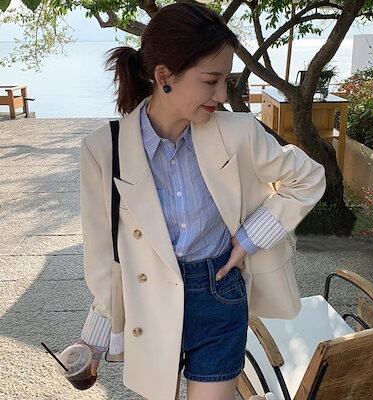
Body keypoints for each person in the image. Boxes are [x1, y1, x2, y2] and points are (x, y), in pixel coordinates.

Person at [72, 3, 326, 400]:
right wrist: (94, 339)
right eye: (211, 81)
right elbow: (107, 258)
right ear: (164, 77)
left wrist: (249, 238)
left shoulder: (239, 132)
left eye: (226, 80)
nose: (222, 94)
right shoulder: (104, 150)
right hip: (150, 303)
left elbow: (308, 177)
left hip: (220, 292)